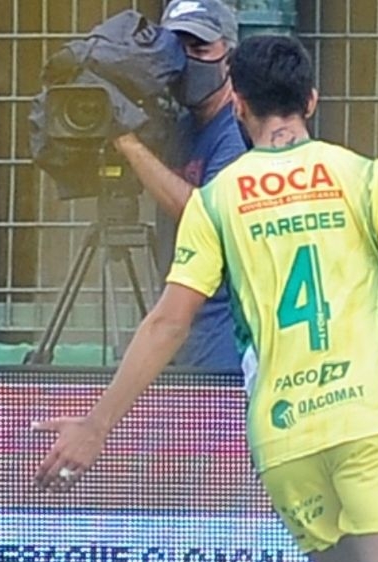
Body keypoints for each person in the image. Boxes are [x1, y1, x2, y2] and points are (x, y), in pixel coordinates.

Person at [34, 35, 378, 562]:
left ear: (238, 103)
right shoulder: (360, 178)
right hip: (364, 421)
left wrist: (95, 426)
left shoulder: (217, 201)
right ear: (311, 100)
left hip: (284, 438)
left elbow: (168, 322)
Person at [113, 0, 247, 371]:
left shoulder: (236, 130)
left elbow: (201, 213)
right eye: (177, 50)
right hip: (185, 326)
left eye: (200, 50)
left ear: (229, 58)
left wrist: (129, 144)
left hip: (223, 334)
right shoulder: (181, 128)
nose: (188, 62)